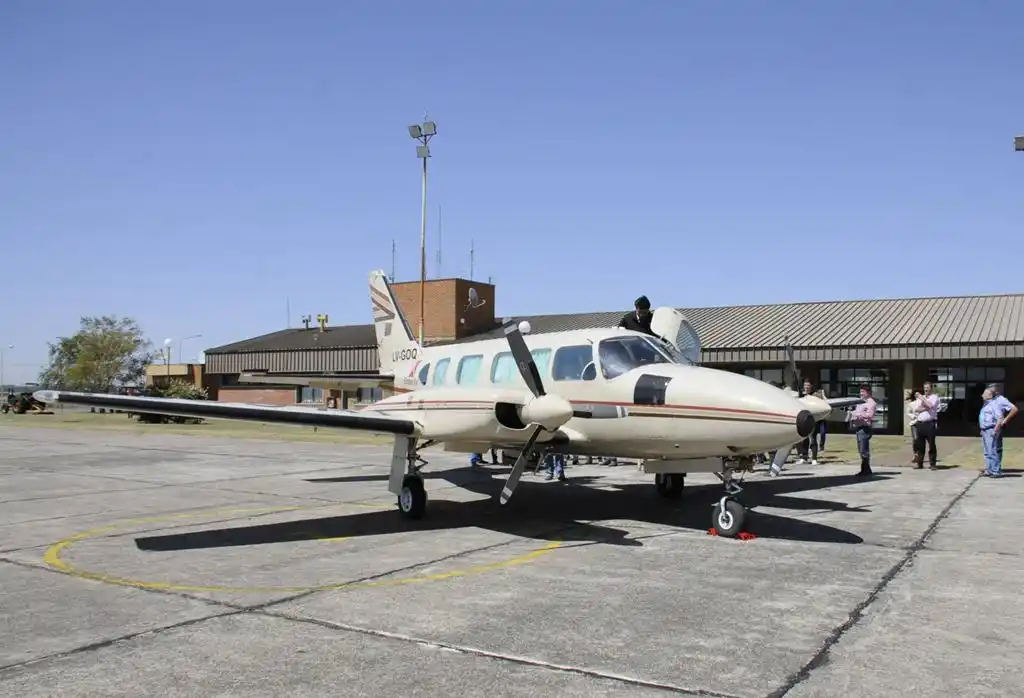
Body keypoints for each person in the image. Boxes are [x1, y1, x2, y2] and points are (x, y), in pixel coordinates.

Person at [980, 383, 1019, 478]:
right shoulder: (987, 402)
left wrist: (1003, 421)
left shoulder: (1000, 400)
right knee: (988, 450)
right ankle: (989, 469)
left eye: (986, 392)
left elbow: (1014, 409)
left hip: (993, 427)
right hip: (986, 428)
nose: (982, 395)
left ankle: (995, 470)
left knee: (994, 449)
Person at [847, 384, 877, 477]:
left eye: (863, 392)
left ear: (868, 392)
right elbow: (857, 412)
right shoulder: (860, 401)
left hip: (865, 428)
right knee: (861, 450)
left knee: (864, 450)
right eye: (860, 391)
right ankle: (866, 469)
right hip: (859, 427)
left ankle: (865, 470)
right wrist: (852, 414)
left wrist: (858, 415)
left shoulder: (871, 403)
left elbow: (869, 415)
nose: (861, 393)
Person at [912, 381, 940, 469]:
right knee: (920, 444)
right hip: (920, 423)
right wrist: (926, 407)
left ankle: (932, 464)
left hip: (930, 423)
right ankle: (920, 463)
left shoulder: (934, 397)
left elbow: (931, 406)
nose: (925, 389)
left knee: (931, 444)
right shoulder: (923, 397)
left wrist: (922, 398)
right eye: (924, 388)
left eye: (927, 388)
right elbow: (917, 409)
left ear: (931, 388)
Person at [795, 379, 819, 465]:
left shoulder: (816, 395)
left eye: (808, 385)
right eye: (805, 385)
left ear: (811, 386)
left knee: (813, 439)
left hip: (813, 419)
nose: (806, 387)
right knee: (804, 439)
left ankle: (814, 458)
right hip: (804, 420)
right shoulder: (801, 395)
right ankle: (804, 457)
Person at [906, 389, 922, 464]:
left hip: (922, 422)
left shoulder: (923, 402)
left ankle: (920, 455)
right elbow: (908, 412)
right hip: (914, 423)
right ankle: (915, 454)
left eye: (918, 394)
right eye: (916, 394)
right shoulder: (911, 404)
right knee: (915, 438)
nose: (917, 396)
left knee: (921, 440)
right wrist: (913, 416)